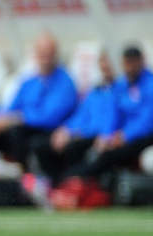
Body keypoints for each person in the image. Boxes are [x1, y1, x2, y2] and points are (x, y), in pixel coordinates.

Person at [53, 45, 153, 204]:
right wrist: (107, 136)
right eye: (127, 64)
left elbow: (148, 120)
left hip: (143, 136)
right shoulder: (121, 85)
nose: (130, 68)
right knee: (80, 149)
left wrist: (125, 135)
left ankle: (68, 181)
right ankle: (72, 185)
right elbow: (113, 114)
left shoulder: (149, 85)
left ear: (141, 62)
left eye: (133, 63)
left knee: (107, 156)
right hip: (120, 136)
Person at [0, 31, 77, 175]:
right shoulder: (29, 82)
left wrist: (18, 118)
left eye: (48, 53)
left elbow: (50, 117)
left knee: (16, 131)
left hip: (46, 131)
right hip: (20, 129)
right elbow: (11, 107)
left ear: (55, 54)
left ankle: (23, 180)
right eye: (41, 53)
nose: (44, 57)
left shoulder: (65, 82)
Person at [30, 50, 118, 187]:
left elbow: (111, 120)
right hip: (82, 133)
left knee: (73, 148)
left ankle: (64, 184)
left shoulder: (120, 92)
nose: (105, 68)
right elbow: (80, 115)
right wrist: (65, 130)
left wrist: (79, 133)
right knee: (40, 145)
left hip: (98, 136)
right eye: (102, 65)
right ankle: (55, 184)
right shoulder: (95, 92)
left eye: (108, 64)